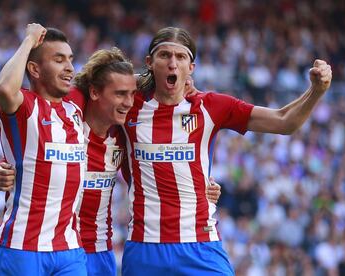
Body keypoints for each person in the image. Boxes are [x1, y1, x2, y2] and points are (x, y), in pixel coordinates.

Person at [0, 46, 222, 275]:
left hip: (99, 252)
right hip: (54, 248)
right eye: (120, 94)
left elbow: (157, 169)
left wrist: (203, 186)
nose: (128, 102)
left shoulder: (123, 135)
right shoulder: (71, 111)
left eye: (131, 94)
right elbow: (26, 153)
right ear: (95, 92)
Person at [121, 26, 332, 275]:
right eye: (164, 55)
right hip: (145, 247)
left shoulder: (211, 106)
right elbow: (94, 82)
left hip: (200, 245)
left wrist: (316, 91)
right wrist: (134, 79)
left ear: (192, 68)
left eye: (181, 57)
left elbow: (284, 121)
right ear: (149, 62)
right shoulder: (127, 103)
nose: (172, 64)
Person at [0, 23, 87, 275]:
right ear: (34, 69)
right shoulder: (25, 106)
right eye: (58, 60)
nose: (69, 68)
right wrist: (30, 40)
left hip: (69, 250)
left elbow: (116, 88)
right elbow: (4, 88)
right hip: (21, 248)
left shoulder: (75, 111)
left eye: (70, 60)